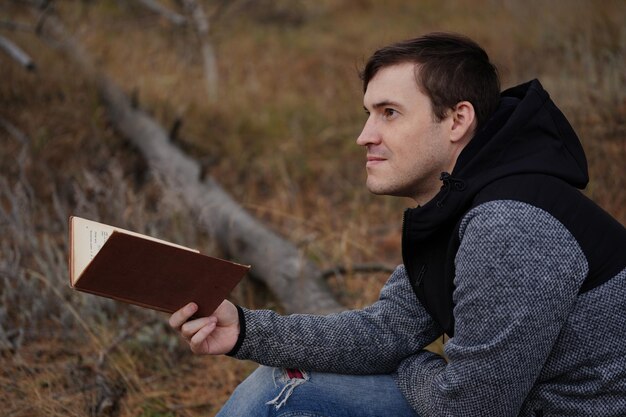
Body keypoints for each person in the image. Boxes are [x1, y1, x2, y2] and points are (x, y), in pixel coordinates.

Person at [169, 32, 626, 416]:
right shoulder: (462, 204)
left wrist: (406, 364)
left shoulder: (510, 222)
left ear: (457, 120)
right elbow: (387, 330)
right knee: (280, 380)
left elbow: (468, 408)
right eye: (368, 113)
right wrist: (246, 330)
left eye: (389, 113)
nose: (365, 135)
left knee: (282, 396)